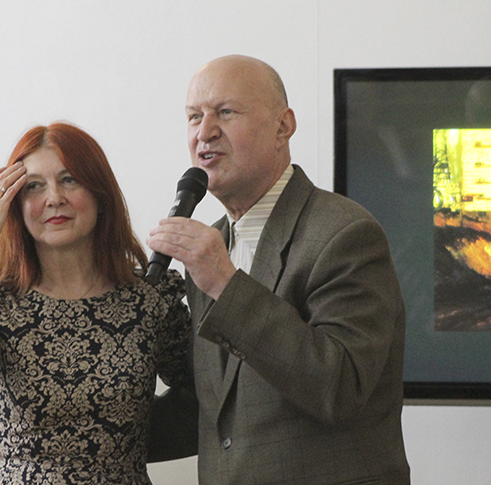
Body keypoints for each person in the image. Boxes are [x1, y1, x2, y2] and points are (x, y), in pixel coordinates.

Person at [146, 55, 411, 484]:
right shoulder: (212, 247)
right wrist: (82, 430)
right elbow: (217, 407)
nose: (204, 132)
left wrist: (225, 283)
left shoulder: (345, 234)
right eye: (194, 116)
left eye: (225, 112)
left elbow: (341, 388)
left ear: (282, 127)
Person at [0, 122, 192, 484]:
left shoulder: (149, 299)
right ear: (16, 206)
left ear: (100, 194)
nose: (54, 198)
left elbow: (212, 395)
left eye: (70, 180)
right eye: (34, 186)